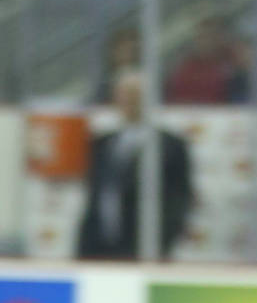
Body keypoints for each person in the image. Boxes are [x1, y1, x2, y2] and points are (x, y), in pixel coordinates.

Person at [78, 70, 194, 260]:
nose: (128, 100)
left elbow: (180, 198)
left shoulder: (170, 146)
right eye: (122, 94)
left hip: (145, 247)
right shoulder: (102, 143)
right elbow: (96, 194)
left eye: (135, 94)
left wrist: (163, 239)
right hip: (98, 246)